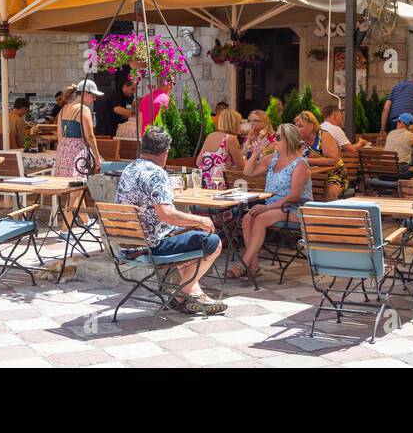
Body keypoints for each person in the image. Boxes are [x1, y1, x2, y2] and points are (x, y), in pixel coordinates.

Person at [115, 126, 226, 315]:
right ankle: (182, 294)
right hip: (150, 246)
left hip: (126, 245)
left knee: (185, 238)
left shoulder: (130, 168)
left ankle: (195, 293)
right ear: (165, 153)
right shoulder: (157, 173)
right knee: (213, 242)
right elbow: (166, 214)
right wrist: (199, 220)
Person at [233, 123, 311, 280]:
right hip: (273, 207)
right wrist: (255, 154)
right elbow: (248, 171)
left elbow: (294, 196)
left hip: (295, 209)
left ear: (288, 141)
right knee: (248, 218)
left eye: (278, 137)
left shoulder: (300, 164)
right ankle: (254, 267)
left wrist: (266, 208)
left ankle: (244, 263)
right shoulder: (272, 160)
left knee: (260, 218)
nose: (273, 139)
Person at [295, 109, 347, 200]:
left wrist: (305, 160)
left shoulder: (323, 136)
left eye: (300, 126)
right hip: (311, 174)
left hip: (334, 173)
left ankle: (332, 213)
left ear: (311, 125)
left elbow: (332, 160)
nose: (296, 129)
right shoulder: (299, 140)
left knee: (330, 195)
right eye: (296, 126)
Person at [57, 81, 102, 177]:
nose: (95, 99)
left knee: (64, 184)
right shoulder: (83, 110)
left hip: (63, 151)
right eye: (93, 95)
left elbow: (60, 135)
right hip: (78, 150)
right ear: (85, 93)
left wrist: (60, 153)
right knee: (78, 184)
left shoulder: (63, 109)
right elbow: (90, 136)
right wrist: (97, 157)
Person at [197, 108, 244, 188]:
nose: (241, 126)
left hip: (204, 183)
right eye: (240, 123)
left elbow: (198, 163)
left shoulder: (210, 136)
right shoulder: (231, 139)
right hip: (221, 185)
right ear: (234, 123)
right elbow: (242, 167)